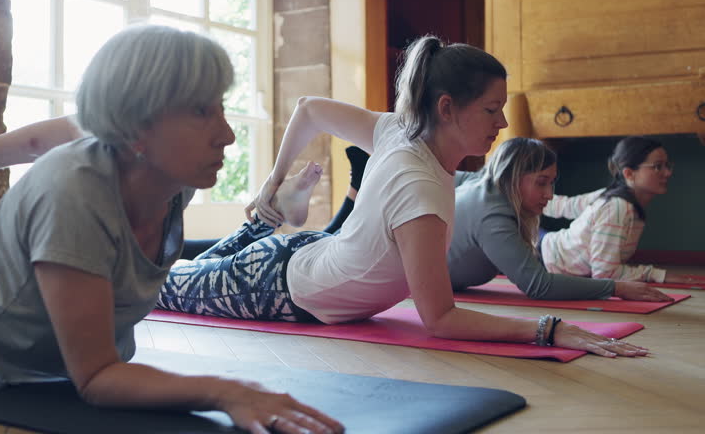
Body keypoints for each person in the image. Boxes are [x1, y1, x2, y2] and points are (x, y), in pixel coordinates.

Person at [0, 25, 343, 434]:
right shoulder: (74, 193)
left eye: (222, 108)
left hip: (1, 274)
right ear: (138, 128)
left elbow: (53, 135)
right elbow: (97, 377)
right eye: (202, 111)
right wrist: (227, 392)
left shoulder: (167, 175)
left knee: (0, 276)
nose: (226, 134)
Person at [156, 35, 649, 358]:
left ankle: (267, 219)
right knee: (153, 284)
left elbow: (309, 110)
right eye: (492, 110)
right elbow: (441, 319)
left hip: (298, 256)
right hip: (279, 289)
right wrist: (549, 329)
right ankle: (258, 220)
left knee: (181, 270)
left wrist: (271, 180)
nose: (502, 123)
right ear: (448, 108)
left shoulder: (400, 130)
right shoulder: (420, 189)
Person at [447, 137, 673, 301]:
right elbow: (539, 286)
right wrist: (617, 288)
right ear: (511, 177)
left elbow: (444, 176)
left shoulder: (477, 181)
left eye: (551, 182)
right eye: (541, 181)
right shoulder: (492, 215)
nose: (549, 194)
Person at [540, 136, 703, 285]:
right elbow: (604, 274)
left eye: (667, 166)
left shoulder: (614, 198)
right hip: (540, 256)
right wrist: (657, 274)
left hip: (544, 246)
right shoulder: (617, 207)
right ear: (629, 173)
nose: (667, 173)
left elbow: (565, 206)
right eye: (658, 166)